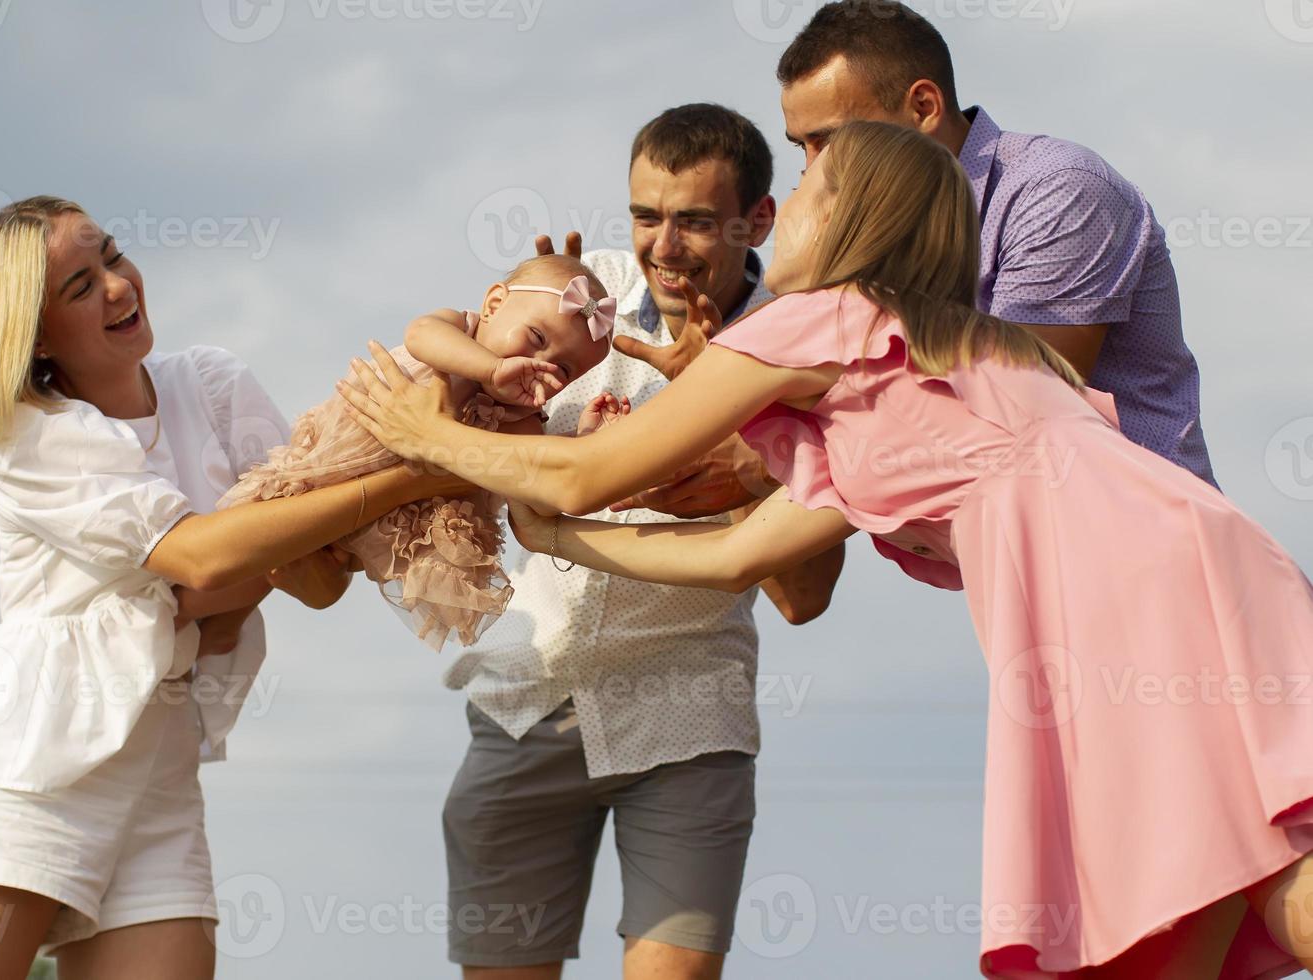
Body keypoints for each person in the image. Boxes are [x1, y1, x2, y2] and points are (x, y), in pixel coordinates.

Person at [339, 123, 1313, 979]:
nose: (786, 209)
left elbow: (582, 474)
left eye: (807, 188)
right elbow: (737, 555)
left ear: (848, 221)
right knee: (1190, 892)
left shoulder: (822, 320)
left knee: (1248, 866)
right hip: (1193, 565)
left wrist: (424, 432)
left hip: (1129, 597)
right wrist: (558, 537)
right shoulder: (932, 362)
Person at [0, 196, 464, 980]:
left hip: (159, 781)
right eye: (80, 287)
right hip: (26, 772)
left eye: (114, 258)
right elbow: (202, 559)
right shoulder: (29, 434)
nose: (120, 287)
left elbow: (319, 577)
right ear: (32, 335)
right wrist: (406, 475)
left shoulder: (212, 385)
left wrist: (275, 544)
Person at [427, 104, 845, 980]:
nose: (663, 246)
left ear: (757, 221)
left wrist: (757, 451)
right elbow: (445, 375)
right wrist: (517, 346)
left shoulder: (801, 351)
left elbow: (804, 597)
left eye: (694, 221)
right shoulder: (583, 301)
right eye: (645, 216)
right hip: (527, 702)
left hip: (688, 719)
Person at [775, 0, 1217, 485]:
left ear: (924, 106)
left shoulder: (1061, 191)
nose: (812, 169)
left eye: (832, 141)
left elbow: (1012, 409)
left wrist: (771, 435)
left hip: (1144, 536)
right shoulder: (886, 229)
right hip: (1018, 542)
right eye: (803, 146)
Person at [221, 253, 619, 650]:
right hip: (338, 463)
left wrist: (582, 444)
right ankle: (209, 616)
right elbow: (420, 334)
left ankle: (230, 619)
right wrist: (490, 370)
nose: (541, 364)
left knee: (321, 567)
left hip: (395, 519)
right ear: (493, 305)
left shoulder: (522, 419)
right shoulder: (457, 330)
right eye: (536, 338)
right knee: (255, 543)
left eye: (563, 370)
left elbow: (540, 492)